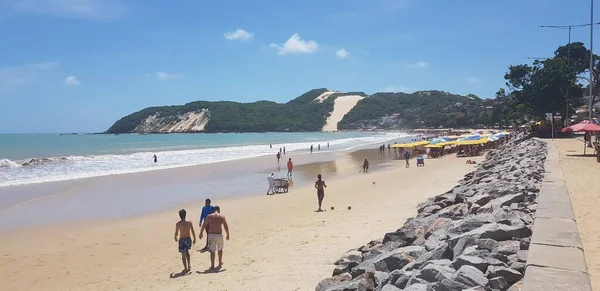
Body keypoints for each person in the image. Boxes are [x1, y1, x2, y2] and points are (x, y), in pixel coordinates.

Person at [200, 206, 230, 270]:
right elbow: (225, 226)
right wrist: (227, 234)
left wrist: (201, 233)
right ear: (219, 210)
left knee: (212, 251)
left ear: (214, 210)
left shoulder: (209, 216)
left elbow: (204, 225)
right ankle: (219, 263)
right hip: (219, 235)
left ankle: (212, 265)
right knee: (220, 249)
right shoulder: (221, 217)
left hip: (211, 235)